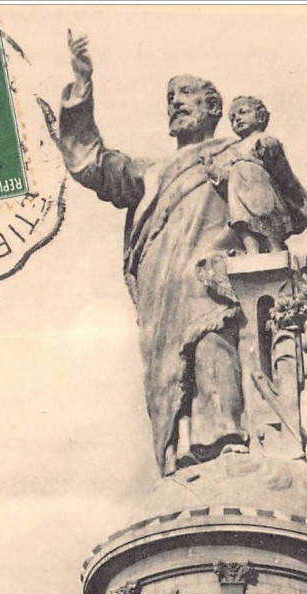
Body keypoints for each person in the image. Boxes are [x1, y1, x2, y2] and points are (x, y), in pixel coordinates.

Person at [60, 34, 249, 476]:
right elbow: (90, 164)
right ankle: (181, 451)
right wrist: (81, 86)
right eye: (170, 98)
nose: (175, 104)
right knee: (167, 374)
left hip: (210, 281)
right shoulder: (151, 173)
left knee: (211, 345)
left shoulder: (236, 155)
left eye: (186, 95)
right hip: (161, 296)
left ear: (213, 107)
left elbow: (274, 212)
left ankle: (226, 439)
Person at [226, 95, 307, 254]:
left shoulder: (263, 139)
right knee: (242, 221)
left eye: (243, 112)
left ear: (260, 117)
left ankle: (275, 248)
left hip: (259, 188)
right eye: (232, 118)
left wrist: (270, 149)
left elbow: (280, 166)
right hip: (239, 191)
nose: (237, 119)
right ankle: (251, 251)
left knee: (267, 216)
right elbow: (227, 175)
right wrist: (212, 170)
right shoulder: (233, 149)